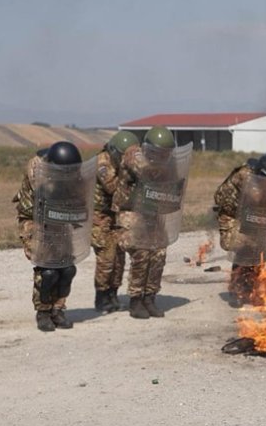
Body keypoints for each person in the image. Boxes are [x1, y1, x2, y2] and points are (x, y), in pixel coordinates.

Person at [13, 141, 95, 332]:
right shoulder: (37, 169)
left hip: (59, 219)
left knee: (67, 268)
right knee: (48, 268)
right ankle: (43, 312)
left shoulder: (72, 172)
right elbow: (47, 195)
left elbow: (80, 200)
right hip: (35, 219)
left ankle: (58, 309)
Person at [113, 126, 191, 319]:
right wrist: (164, 165)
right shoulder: (134, 155)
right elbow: (145, 169)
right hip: (131, 213)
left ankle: (150, 296)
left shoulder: (168, 162)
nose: (162, 156)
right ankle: (136, 299)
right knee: (142, 252)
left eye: (165, 153)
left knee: (159, 253)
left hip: (152, 213)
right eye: (158, 152)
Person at [213, 153, 266, 307]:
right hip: (232, 215)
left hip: (253, 216)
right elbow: (223, 199)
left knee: (260, 249)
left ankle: (251, 289)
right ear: (261, 176)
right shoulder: (245, 178)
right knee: (244, 244)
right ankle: (236, 290)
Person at [92, 130, 138, 313]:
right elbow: (112, 188)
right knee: (106, 257)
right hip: (99, 215)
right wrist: (130, 174)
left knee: (119, 256)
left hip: (115, 214)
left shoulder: (120, 163)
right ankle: (101, 296)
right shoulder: (102, 162)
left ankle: (113, 293)